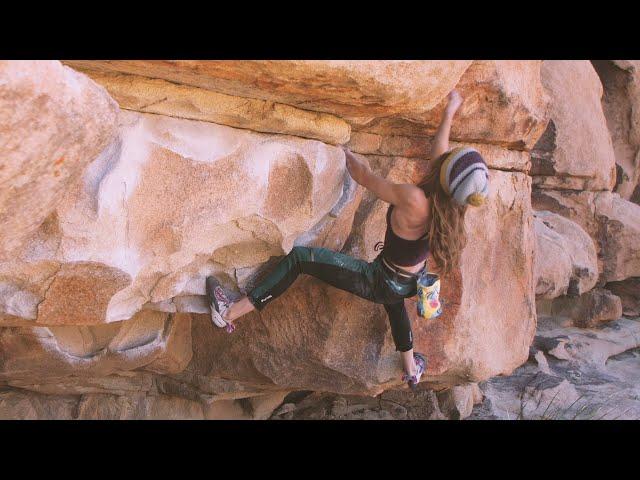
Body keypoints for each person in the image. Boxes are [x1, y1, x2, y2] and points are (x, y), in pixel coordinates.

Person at [206, 89, 490, 388]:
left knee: (301, 258)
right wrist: (449, 111)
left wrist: (341, 149)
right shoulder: (452, 206)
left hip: (381, 279)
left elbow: (365, 177)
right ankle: (411, 368)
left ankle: (228, 313)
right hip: (410, 282)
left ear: (445, 174)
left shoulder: (415, 199)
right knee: (394, 304)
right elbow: (440, 153)